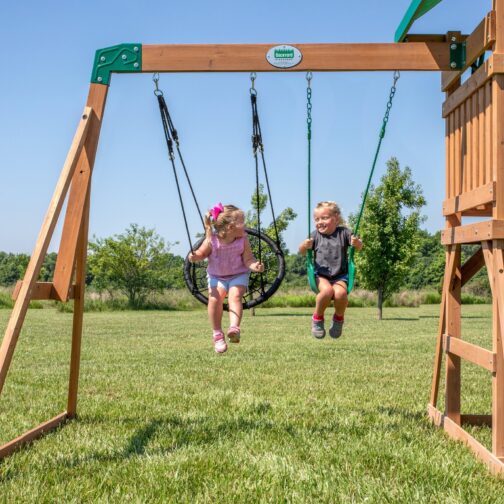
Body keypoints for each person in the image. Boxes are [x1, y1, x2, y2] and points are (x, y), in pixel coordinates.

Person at [188, 203, 264, 353]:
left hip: (238, 275)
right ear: (230, 227)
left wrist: (255, 266)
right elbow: (201, 253)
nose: (246, 225)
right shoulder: (212, 240)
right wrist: (194, 256)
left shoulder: (243, 240)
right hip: (217, 276)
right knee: (215, 299)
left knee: (235, 296)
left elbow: (248, 260)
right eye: (243, 222)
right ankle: (217, 334)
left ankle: (234, 328)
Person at [299, 201, 363, 339]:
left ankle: (338, 319)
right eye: (317, 219)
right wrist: (305, 245)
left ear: (336, 218)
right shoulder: (314, 235)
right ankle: (317, 318)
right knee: (327, 291)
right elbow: (302, 251)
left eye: (324, 218)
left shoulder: (344, 233)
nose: (320, 222)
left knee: (340, 295)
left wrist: (357, 243)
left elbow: (358, 246)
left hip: (340, 276)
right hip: (320, 275)